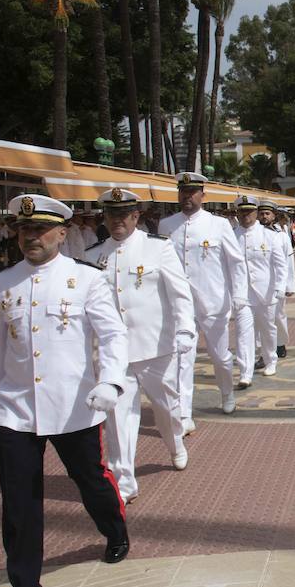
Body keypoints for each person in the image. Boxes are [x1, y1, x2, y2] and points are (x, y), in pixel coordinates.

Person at [0, 193, 130, 587]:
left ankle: (113, 528)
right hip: (17, 409)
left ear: (62, 233)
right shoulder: (2, 283)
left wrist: (111, 382)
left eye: (41, 230)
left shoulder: (86, 279)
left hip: (73, 405)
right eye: (23, 230)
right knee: (19, 506)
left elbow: (113, 334)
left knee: (90, 480)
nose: (31, 237)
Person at [86, 188, 193, 504]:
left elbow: (180, 292)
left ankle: (175, 442)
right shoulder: (93, 255)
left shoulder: (158, 247)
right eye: (111, 215)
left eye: (123, 215)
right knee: (118, 417)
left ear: (136, 216)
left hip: (155, 345)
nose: (117, 221)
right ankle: (124, 481)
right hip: (113, 353)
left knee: (166, 407)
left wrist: (185, 330)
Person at [158, 173, 247, 429]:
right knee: (183, 358)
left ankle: (227, 393)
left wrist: (239, 294)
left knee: (220, 357)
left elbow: (236, 262)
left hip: (213, 301)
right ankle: (184, 413)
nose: (187, 197)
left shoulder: (218, 225)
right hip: (179, 304)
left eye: (192, 192)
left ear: (202, 195)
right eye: (183, 192)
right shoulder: (166, 225)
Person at [233, 194, 286, 385]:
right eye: (242, 212)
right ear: (237, 213)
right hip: (241, 293)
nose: (246, 215)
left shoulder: (269, 236)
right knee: (243, 332)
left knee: (267, 329)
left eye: (249, 211)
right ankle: (245, 372)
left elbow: (280, 265)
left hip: (266, 291)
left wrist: (280, 287)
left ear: (256, 213)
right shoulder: (231, 236)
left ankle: (271, 360)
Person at [260, 202, 295, 359]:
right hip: (257, 284)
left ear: (274, 216)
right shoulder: (252, 234)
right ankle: (264, 350)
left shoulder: (280, 236)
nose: (264, 216)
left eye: (267, 213)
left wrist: (289, 285)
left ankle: (280, 343)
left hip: (277, 283)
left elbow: (289, 261)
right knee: (259, 319)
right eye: (261, 213)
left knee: (278, 315)